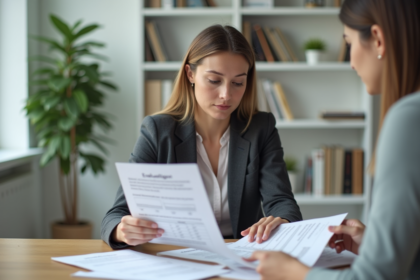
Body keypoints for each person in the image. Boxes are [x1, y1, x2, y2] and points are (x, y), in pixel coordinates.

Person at [247, 0, 420, 279]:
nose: (351, 63)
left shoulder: (408, 118)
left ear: (377, 39)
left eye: (349, 44)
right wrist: (377, 244)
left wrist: (295, 273)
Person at [101, 25, 302, 249]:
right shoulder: (158, 131)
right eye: (214, 80)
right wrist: (122, 230)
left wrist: (281, 221)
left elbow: (282, 202)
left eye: (238, 82)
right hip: (178, 256)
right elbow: (116, 214)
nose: (226, 94)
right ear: (190, 74)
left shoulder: (260, 128)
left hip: (243, 255)